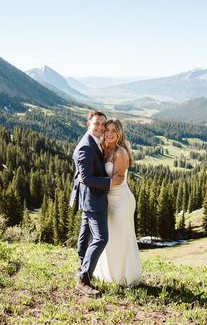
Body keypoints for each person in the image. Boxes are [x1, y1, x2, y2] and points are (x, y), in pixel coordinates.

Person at [70, 111, 124, 297]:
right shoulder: (85, 146)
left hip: (90, 198)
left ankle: (82, 266)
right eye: (97, 124)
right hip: (93, 198)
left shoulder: (96, 142)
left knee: (84, 236)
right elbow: (85, 177)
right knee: (101, 238)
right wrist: (110, 183)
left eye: (103, 124)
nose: (101, 127)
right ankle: (83, 280)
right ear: (88, 124)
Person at [93, 118, 142, 287]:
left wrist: (94, 182)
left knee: (121, 239)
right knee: (109, 239)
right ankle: (109, 275)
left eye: (114, 130)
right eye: (107, 130)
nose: (110, 133)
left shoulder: (121, 153)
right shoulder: (104, 149)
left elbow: (119, 179)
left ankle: (123, 277)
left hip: (121, 201)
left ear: (119, 133)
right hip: (107, 200)